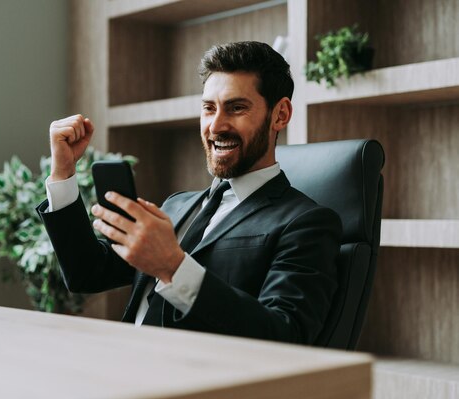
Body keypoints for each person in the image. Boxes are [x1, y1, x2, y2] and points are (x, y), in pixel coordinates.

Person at [36, 41, 341, 345]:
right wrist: (62, 174)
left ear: (280, 115)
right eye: (209, 108)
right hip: (122, 364)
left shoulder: (307, 223)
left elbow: (285, 335)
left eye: (236, 108)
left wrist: (174, 267)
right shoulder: (177, 205)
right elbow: (86, 274)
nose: (216, 125)